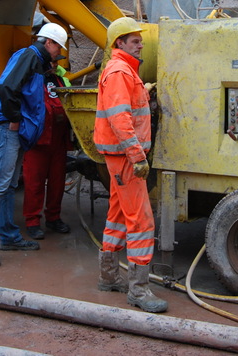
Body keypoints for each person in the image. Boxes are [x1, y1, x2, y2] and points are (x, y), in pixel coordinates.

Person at [0, 22, 69, 267]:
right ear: (47, 42)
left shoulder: (36, 61)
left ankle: (8, 237)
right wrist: (15, 120)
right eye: (57, 47)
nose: (57, 52)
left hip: (15, 130)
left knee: (8, 185)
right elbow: (6, 86)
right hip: (9, 128)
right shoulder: (29, 55)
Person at [94, 17, 167, 313]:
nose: (141, 45)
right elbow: (120, 118)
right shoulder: (121, 71)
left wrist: (143, 91)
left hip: (118, 157)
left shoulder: (124, 72)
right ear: (119, 43)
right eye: (135, 41)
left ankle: (109, 276)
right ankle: (139, 290)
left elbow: (125, 109)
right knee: (141, 221)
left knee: (118, 215)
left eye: (141, 40)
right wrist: (138, 157)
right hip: (126, 158)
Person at [23, 60, 73, 239]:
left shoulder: (60, 79)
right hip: (38, 141)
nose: (53, 64)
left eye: (55, 61)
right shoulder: (29, 79)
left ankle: (53, 217)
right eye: (50, 61)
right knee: (34, 183)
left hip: (58, 140)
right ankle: (32, 222)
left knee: (57, 183)